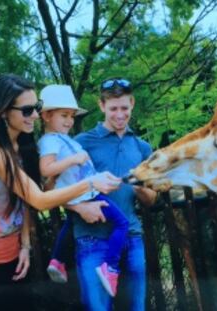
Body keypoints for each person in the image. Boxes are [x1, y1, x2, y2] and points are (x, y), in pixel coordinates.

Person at [0, 74, 120, 311]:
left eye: (37, 107)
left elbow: (27, 202)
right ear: (3, 112)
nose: (35, 115)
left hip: (12, 255)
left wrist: (23, 245)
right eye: (27, 110)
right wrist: (91, 183)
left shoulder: (23, 147)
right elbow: (39, 200)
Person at [69, 78, 157, 310]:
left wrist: (139, 187)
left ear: (132, 104)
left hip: (132, 237)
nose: (120, 115)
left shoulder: (142, 147)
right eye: (113, 109)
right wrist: (78, 207)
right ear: (101, 106)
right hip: (92, 239)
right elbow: (54, 189)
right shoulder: (81, 143)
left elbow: (152, 200)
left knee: (136, 307)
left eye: (124, 108)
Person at [38, 84, 129, 296]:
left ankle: (58, 260)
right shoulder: (50, 141)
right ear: (46, 116)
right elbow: (46, 168)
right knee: (122, 223)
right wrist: (74, 159)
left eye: (71, 116)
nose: (69, 121)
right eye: (64, 115)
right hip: (84, 193)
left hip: (86, 190)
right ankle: (110, 267)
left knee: (70, 222)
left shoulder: (62, 138)